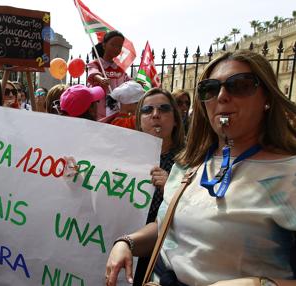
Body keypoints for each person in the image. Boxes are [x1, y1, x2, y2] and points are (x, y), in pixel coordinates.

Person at [105, 50, 296, 286]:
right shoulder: (188, 164)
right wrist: (127, 242)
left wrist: (260, 284)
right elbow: (168, 225)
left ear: (267, 97)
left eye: (240, 85)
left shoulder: (289, 174)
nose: (223, 96)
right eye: (211, 89)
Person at [132, 88, 185, 286]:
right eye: (147, 110)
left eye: (164, 109)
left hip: (164, 257)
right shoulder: (124, 155)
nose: (155, 115)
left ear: (176, 119)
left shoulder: (189, 159)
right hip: (126, 245)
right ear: (139, 120)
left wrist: (172, 187)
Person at [87, 30, 131, 119]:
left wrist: (136, 83)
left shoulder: (119, 68)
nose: (116, 49)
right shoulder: (96, 64)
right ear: (104, 45)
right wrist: (100, 79)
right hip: (98, 108)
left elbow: (127, 80)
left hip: (115, 109)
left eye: (119, 46)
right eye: (113, 45)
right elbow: (93, 73)